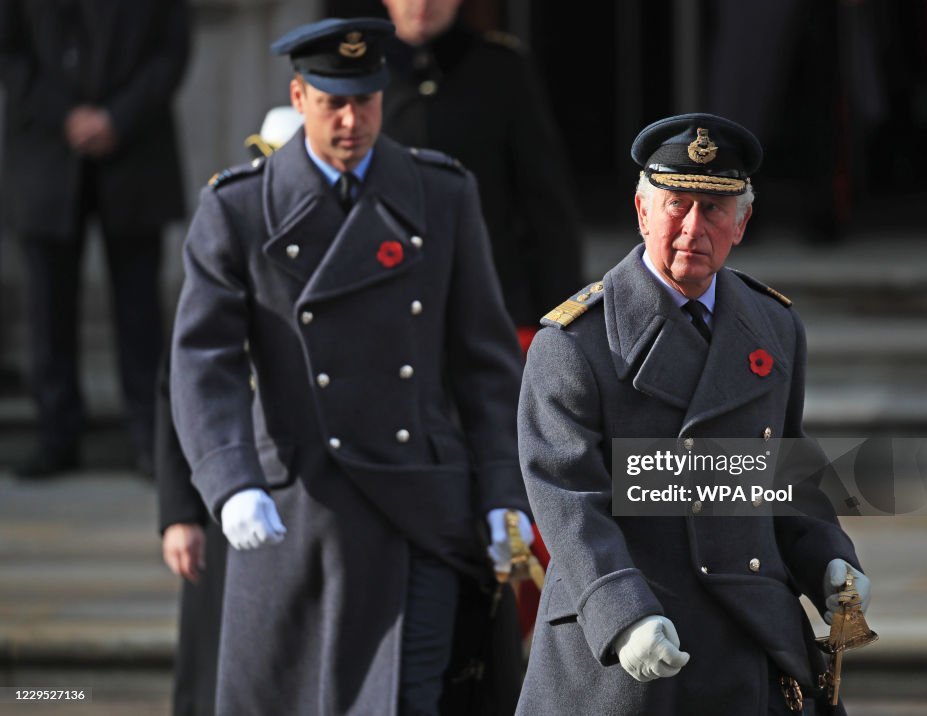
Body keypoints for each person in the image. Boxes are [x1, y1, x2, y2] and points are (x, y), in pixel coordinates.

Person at [169, 18, 531, 716]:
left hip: (416, 507)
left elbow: (484, 365)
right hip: (295, 507)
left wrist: (501, 491)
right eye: (333, 101)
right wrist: (229, 479)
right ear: (298, 96)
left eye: (365, 100)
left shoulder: (441, 194)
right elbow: (201, 359)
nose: (351, 119)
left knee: (404, 698)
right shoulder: (239, 208)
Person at [515, 113, 871, 715]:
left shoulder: (774, 325)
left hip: (750, 636)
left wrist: (828, 556)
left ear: (743, 222)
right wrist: (623, 614)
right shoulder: (575, 343)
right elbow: (569, 502)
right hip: (635, 646)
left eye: (714, 209)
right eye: (676, 204)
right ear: (641, 210)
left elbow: (783, 473)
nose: (692, 228)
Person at [157, 105, 305, 716]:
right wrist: (179, 513)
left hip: (311, 493)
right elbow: (182, 389)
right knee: (217, 664)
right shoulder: (226, 250)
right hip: (232, 491)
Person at [0, 0, 190, 476]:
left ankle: (151, 438)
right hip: (45, 154)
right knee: (48, 306)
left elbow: (171, 51)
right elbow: (10, 51)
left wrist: (116, 118)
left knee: (139, 308)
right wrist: (65, 116)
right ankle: (56, 433)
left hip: (134, 150)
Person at [376, 0, 584, 349]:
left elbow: (545, 201)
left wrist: (559, 315)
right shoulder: (364, 75)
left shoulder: (501, 68)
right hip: (386, 302)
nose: (423, 4)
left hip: (491, 301)